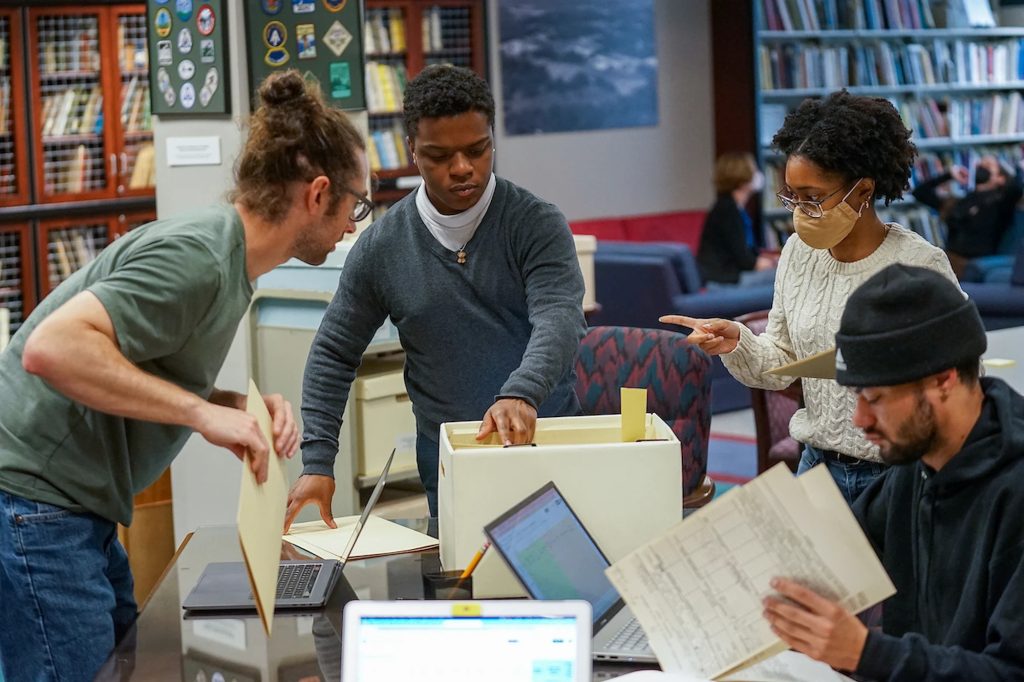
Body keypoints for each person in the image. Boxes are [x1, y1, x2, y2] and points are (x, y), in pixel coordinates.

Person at [0, 70, 368, 681]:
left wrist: (230, 406)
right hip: (37, 501)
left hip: (74, 504)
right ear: (319, 192)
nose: (355, 223)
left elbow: (133, 366)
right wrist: (201, 413)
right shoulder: (200, 255)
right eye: (356, 204)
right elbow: (53, 348)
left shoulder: (231, 263)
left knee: (131, 665)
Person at [286, 64, 585, 523]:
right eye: (439, 155)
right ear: (412, 150)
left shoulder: (535, 223)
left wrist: (520, 394)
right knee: (455, 589)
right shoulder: (382, 247)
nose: (463, 168)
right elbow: (333, 352)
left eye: (478, 149)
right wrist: (318, 460)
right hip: (447, 460)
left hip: (546, 443)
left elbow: (560, 318)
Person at [661, 90, 958, 505]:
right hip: (816, 466)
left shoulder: (919, 264)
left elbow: (957, 385)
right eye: (792, 197)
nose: (799, 212)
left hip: (899, 477)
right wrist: (740, 342)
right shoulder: (798, 254)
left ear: (863, 190)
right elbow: (782, 366)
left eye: (813, 198)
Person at [763, 263, 1024, 681]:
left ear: (944, 380)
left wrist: (865, 652)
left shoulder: (1013, 492)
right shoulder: (917, 465)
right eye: (857, 395)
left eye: (877, 397)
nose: (860, 419)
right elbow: (835, 543)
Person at [911, 155, 1023, 277]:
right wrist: (949, 175)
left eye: (988, 166)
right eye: (980, 165)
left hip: (973, 264)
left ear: (1000, 179)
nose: (981, 167)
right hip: (947, 259)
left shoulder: (1001, 203)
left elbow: (1016, 188)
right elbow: (920, 192)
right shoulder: (958, 202)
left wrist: (1019, 169)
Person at [696, 151, 777, 286]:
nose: (757, 175)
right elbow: (744, 259)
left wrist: (766, 259)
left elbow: (745, 250)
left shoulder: (733, 208)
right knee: (786, 276)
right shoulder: (727, 210)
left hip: (730, 275)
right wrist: (763, 263)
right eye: (754, 170)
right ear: (741, 177)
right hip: (723, 280)